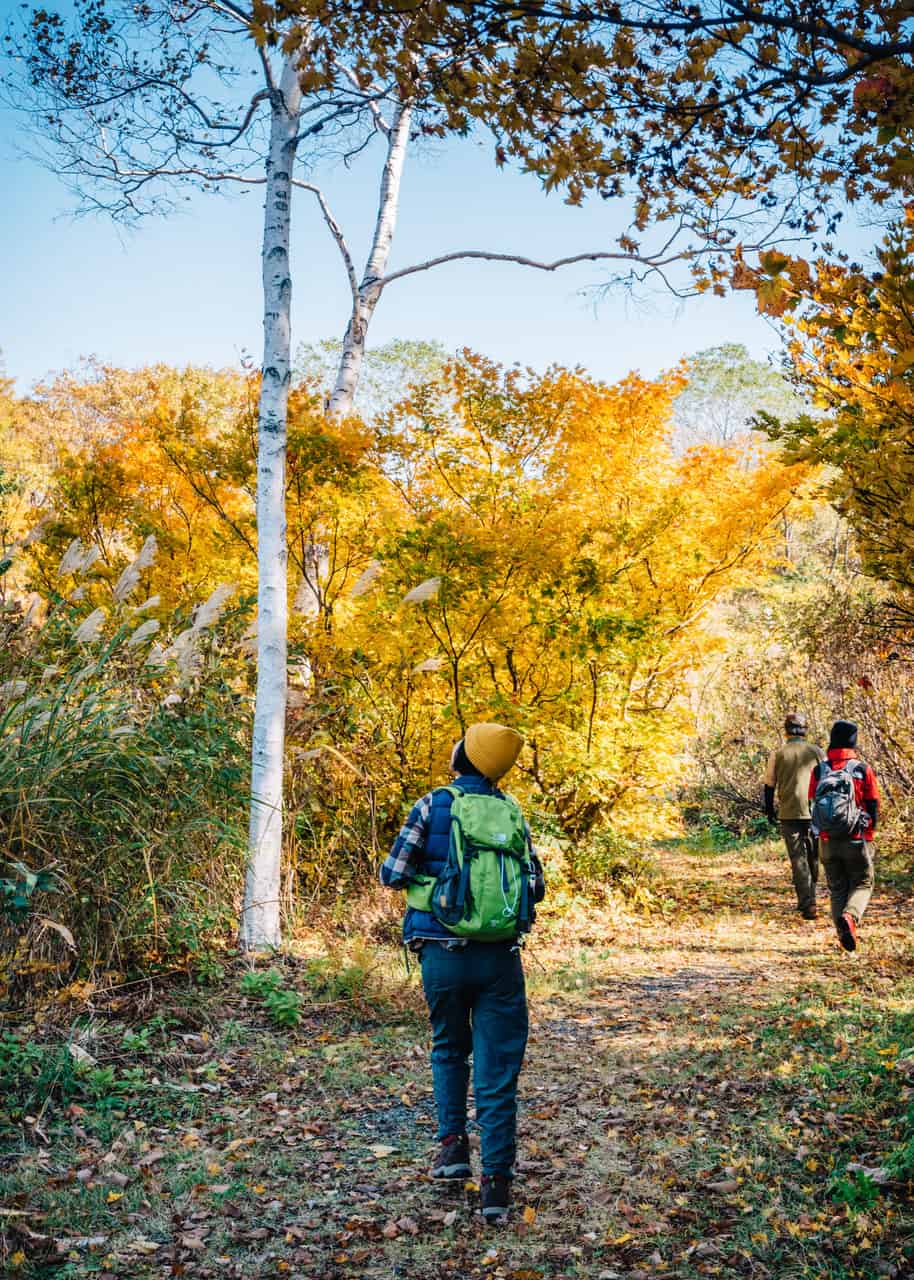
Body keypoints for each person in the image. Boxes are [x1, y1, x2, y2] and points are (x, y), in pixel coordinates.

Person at [380, 722, 545, 1222]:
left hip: (441, 954)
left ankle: (453, 1151)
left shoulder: (433, 804)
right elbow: (533, 885)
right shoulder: (512, 811)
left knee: (450, 1048)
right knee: (497, 1070)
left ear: (462, 756)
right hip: (500, 959)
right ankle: (496, 1184)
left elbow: (393, 874)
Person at [808, 719, 879, 952]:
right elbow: (873, 804)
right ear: (853, 742)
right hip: (856, 838)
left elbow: (812, 802)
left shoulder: (819, 770)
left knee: (837, 888)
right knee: (863, 882)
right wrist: (869, 832)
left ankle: (843, 938)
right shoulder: (861, 770)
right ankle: (851, 917)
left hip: (827, 840)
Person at [763, 712, 825, 919]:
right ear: (805, 730)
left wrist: (769, 809)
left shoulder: (778, 754)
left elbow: (769, 784)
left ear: (786, 731)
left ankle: (807, 902)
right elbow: (828, 781)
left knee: (798, 858)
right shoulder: (817, 752)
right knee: (813, 855)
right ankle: (809, 897)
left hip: (789, 813)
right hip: (815, 812)